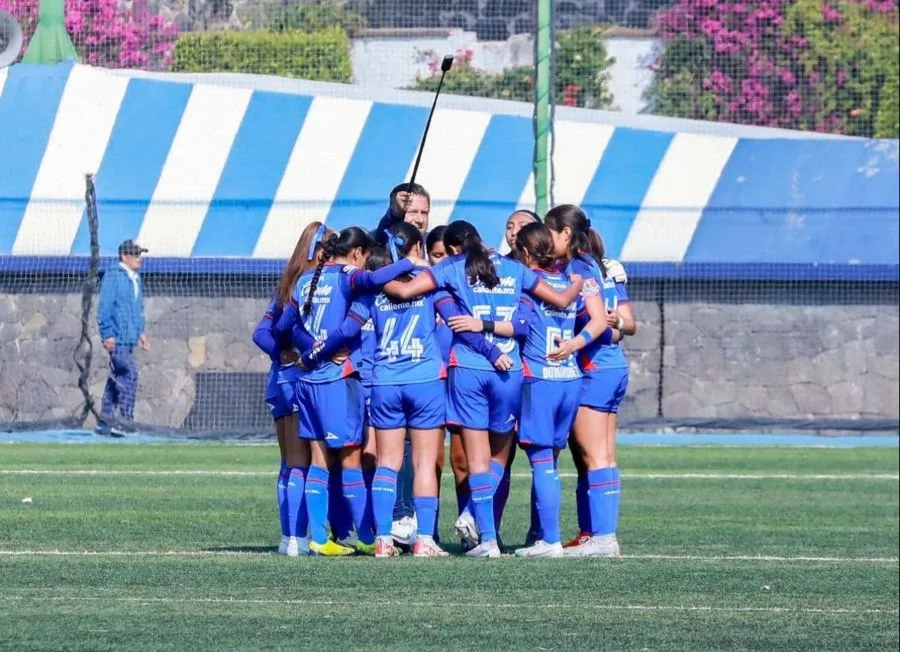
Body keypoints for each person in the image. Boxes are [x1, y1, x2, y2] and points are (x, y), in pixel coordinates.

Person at [382, 220, 584, 557]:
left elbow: (403, 291)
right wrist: (577, 283)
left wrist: (389, 268)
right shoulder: (514, 269)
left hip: (469, 369)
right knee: (498, 459)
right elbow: (561, 301)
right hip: (510, 371)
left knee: (475, 460)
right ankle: (491, 530)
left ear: (453, 248)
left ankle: (487, 541)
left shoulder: (450, 268)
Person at [303, 223, 503, 557]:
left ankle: (383, 539)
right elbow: (458, 323)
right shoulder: (431, 285)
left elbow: (348, 328)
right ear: (414, 249)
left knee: (388, 463)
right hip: (424, 380)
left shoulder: (372, 291)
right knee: (425, 463)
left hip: (384, 381)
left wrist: (317, 352)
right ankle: (424, 539)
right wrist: (492, 352)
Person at [275, 227, 416, 556]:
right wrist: (409, 261)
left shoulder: (305, 280)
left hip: (307, 383)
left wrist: (308, 352)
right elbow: (367, 292)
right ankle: (367, 538)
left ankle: (319, 538)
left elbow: (284, 327)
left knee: (318, 461)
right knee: (351, 460)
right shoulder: (349, 276)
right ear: (357, 254)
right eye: (366, 256)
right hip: (337, 380)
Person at [509, 223, 619, 557]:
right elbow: (604, 320)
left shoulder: (528, 282)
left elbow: (516, 325)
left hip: (540, 377)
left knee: (543, 462)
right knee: (561, 461)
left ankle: (550, 540)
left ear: (527, 253)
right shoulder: (575, 277)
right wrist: (573, 345)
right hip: (570, 377)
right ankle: (575, 535)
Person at [543, 205, 637, 557]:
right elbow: (618, 326)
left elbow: (598, 322)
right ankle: (598, 535)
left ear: (565, 234)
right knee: (605, 456)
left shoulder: (577, 269)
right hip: (611, 367)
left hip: (593, 368)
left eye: (548, 233)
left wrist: (572, 343)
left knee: (594, 456)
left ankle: (603, 537)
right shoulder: (597, 266)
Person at [251, 223, 324, 556]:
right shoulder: (312, 288)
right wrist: (300, 350)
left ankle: (287, 536)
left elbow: (260, 333)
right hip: (302, 381)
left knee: (287, 464)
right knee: (303, 463)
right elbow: (284, 330)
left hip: (279, 381)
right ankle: (299, 537)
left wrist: (278, 354)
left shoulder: (286, 286)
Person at [96, 239, 150, 436]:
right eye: (136, 255)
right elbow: (105, 307)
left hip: (129, 339)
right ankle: (124, 420)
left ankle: (105, 421)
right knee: (129, 374)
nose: (139, 259)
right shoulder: (113, 277)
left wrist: (140, 332)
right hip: (117, 338)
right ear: (125, 256)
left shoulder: (136, 278)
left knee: (116, 378)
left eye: (139, 255)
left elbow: (137, 310)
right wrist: (108, 334)